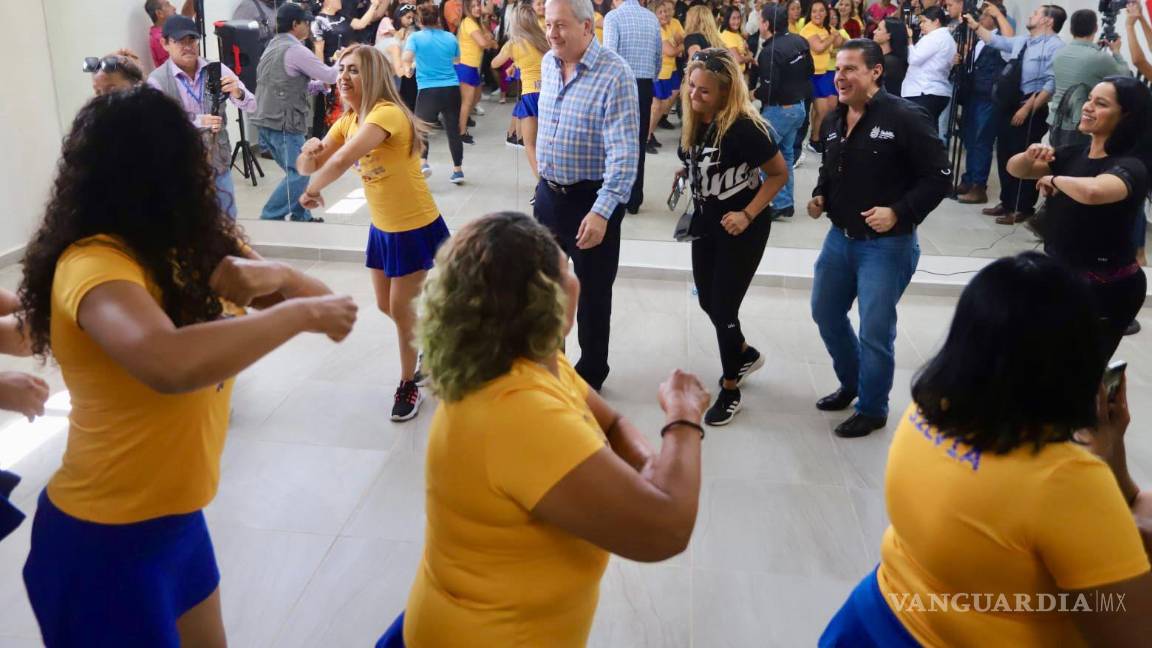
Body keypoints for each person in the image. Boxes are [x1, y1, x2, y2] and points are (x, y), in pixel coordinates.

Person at [19, 86, 355, 647]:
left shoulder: (193, 244)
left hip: (179, 524)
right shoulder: (95, 264)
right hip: (102, 537)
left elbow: (328, 308)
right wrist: (295, 314)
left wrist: (280, 280)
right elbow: (166, 361)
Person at [381, 212, 708, 645]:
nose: (575, 278)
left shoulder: (527, 360)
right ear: (549, 299)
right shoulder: (516, 411)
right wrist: (683, 416)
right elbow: (666, 530)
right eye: (566, 269)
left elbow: (611, 422)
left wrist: (649, 471)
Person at [821, 252, 1152, 648]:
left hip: (872, 620)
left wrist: (1106, 453)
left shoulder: (927, 412)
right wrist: (1104, 457)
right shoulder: (1064, 480)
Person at [807, 39, 950, 438]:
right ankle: (852, 382)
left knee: (874, 329)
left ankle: (872, 407)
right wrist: (821, 194)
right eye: (838, 69)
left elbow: (939, 177)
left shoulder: (905, 117)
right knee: (825, 312)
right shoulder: (835, 118)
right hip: (840, 239)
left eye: (851, 68)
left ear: (875, 72)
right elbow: (831, 167)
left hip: (887, 247)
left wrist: (899, 211)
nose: (840, 76)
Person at [298, 45, 447, 422]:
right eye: (342, 69)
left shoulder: (387, 114)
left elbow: (342, 160)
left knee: (399, 309)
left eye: (355, 71)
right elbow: (308, 164)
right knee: (388, 306)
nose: (344, 77)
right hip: (383, 227)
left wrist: (314, 189)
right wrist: (308, 150)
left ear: (374, 77)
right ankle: (431, 338)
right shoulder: (348, 120)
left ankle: (408, 383)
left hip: (413, 225)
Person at [676, 49, 788, 425]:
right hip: (706, 224)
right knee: (709, 301)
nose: (694, 95)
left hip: (743, 227)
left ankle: (729, 386)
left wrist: (747, 213)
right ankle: (743, 353)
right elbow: (701, 157)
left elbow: (778, 174)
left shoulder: (744, 128)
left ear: (726, 93)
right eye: (692, 86)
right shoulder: (695, 119)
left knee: (723, 307)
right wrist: (689, 171)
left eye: (704, 91)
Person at [534, 0, 639, 392]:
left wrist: (602, 212)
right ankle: (550, 366)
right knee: (546, 288)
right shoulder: (549, 62)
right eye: (548, 24)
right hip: (549, 197)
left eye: (560, 25)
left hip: (591, 202)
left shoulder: (615, 74)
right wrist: (540, 185)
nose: (552, 33)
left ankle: (591, 375)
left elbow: (625, 155)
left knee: (593, 295)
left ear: (587, 27)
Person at [1007, 77, 1150, 361]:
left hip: (1107, 288)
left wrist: (1055, 179)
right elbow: (1017, 169)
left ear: (1126, 116)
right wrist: (1030, 154)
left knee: (1076, 373)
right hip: (1062, 277)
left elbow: (1095, 191)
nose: (1088, 107)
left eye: (1101, 104)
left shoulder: (1131, 165)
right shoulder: (1074, 154)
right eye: (1090, 99)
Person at [148, 15, 256, 220]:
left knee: (227, 220)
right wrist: (197, 121)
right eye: (180, 41)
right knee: (190, 224)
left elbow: (252, 105)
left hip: (218, 163)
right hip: (182, 167)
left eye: (192, 40)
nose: (187, 46)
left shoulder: (216, 70)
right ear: (165, 44)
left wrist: (238, 93)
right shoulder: (157, 81)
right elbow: (155, 126)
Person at [969, 4, 1067, 225]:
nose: (1031, 14)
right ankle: (1007, 201)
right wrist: (975, 25)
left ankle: (1022, 206)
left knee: (1024, 155)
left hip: (1030, 108)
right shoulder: (1023, 41)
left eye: (1036, 13)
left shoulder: (1055, 47)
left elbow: (1050, 83)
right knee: (1005, 154)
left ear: (1048, 21)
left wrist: (1027, 108)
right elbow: (996, 41)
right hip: (1008, 105)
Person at [251, 3, 338, 224]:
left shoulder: (271, 47)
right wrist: (344, 60)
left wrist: (317, 86)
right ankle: (270, 217)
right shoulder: (296, 50)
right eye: (305, 22)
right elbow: (330, 75)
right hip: (284, 123)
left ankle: (301, 214)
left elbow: (286, 83)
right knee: (300, 172)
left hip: (267, 122)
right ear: (294, 24)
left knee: (298, 171)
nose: (308, 26)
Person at [603, 0, 663, 213]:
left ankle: (616, 196)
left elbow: (609, 54)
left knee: (615, 139)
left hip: (620, 83)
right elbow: (658, 57)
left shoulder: (613, 17)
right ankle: (635, 199)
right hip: (645, 85)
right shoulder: (652, 18)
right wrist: (650, 77)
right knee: (638, 141)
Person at [756, 3, 814, 219]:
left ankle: (779, 203)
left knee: (763, 154)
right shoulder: (799, 41)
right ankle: (786, 202)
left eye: (761, 20)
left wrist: (753, 94)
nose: (759, 24)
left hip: (779, 110)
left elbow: (769, 90)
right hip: (799, 108)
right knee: (786, 156)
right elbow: (811, 70)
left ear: (767, 24)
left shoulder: (770, 52)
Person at [953, 3, 1013, 205]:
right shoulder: (978, 37)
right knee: (969, 138)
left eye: (985, 15)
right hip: (973, 93)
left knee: (981, 140)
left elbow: (1009, 40)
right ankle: (969, 179)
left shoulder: (999, 39)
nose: (980, 17)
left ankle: (979, 186)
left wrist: (997, 13)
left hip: (989, 97)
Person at [1046, 9, 1128, 150]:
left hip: (1054, 120)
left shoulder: (1059, 53)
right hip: (1079, 124)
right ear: (1096, 28)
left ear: (1071, 29)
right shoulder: (1099, 57)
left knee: (1058, 164)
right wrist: (1116, 52)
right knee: (1076, 169)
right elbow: (1126, 78)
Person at [404, 4, 466, 183]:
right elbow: (456, 61)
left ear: (420, 20)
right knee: (453, 130)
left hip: (428, 90)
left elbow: (406, 59)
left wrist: (411, 67)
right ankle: (458, 170)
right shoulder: (450, 37)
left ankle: (423, 163)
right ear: (438, 19)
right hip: (451, 89)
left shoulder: (415, 37)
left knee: (421, 129)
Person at [491, 4, 548, 177]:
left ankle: (541, 185)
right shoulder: (544, 39)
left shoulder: (513, 44)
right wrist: (518, 64)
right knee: (547, 143)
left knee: (529, 144)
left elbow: (494, 63)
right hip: (549, 94)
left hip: (530, 95)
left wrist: (515, 61)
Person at [800, 1, 845, 153]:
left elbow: (842, 42)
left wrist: (836, 37)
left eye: (821, 11)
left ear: (826, 13)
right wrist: (833, 36)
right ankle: (814, 139)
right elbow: (818, 48)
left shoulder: (827, 29)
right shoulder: (808, 29)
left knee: (829, 107)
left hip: (825, 73)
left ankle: (818, 137)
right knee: (822, 109)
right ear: (809, 13)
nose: (818, 14)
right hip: (812, 75)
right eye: (814, 11)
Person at [900, 6, 955, 121]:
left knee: (918, 132)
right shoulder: (948, 38)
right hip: (935, 91)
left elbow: (914, 59)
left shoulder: (934, 37)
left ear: (936, 21)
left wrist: (909, 39)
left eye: (924, 21)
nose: (921, 25)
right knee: (929, 131)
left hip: (923, 91)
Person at [647, 1, 686, 154]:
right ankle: (645, 138)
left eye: (665, 11)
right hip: (658, 72)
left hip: (667, 71)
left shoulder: (669, 26)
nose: (664, 14)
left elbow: (679, 40)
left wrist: (679, 45)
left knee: (660, 106)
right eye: (660, 12)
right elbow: (670, 51)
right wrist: (682, 46)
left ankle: (649, 134)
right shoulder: (657, 29)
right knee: (656, 107)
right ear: (654, 15)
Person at [457, 0, 498, 143]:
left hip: (472, 67)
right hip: (465, 66)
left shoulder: (477, 22)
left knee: (476, 97)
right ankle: (461, 132)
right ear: (467, 9)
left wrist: (489, 40)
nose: (477, 8)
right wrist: (489, 42)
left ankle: (463, 119)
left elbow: (490, 38)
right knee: (467, 102)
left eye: (478, 5)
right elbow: (484, 43)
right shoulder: (468, 22)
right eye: (473, 6)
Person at [144, 0, 195, 67]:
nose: (174, 8)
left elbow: (185, 18)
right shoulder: (159, 38)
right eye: (168, 5)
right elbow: (177, 66)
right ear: (159, 13)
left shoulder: (169, 29)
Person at [872, 17, 907, 95]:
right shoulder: (885, 59)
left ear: (889, 35)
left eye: (879, 29)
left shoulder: (891, 62)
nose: (874, 32)